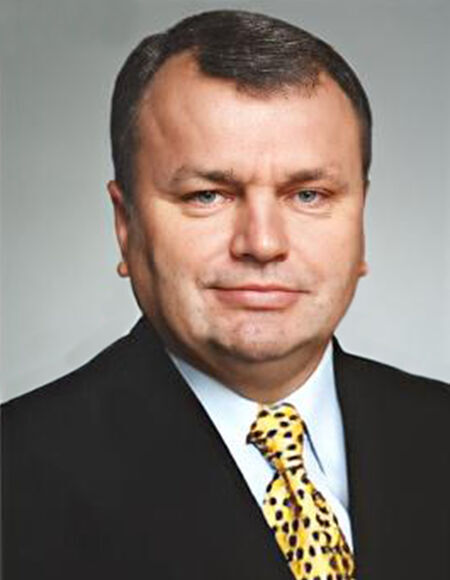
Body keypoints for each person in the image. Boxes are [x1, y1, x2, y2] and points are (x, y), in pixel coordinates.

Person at [2, 9, 449, 580]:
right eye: (207, 195)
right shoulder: (17, 477)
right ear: (125, 224)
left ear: (360, 218)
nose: (262, 244)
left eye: (309, 195)